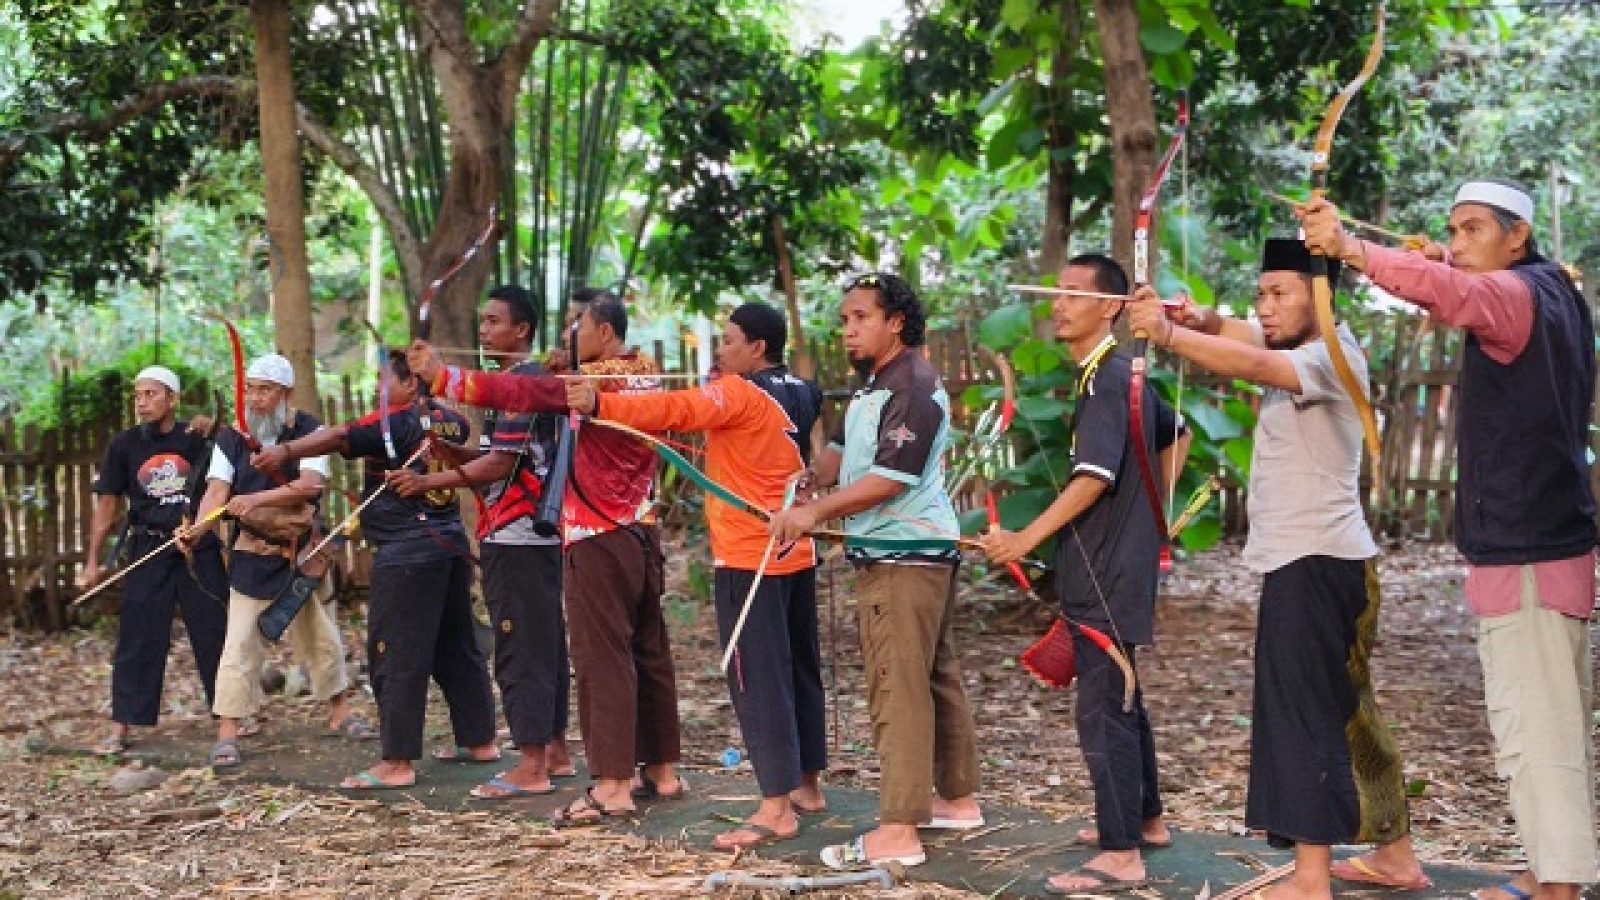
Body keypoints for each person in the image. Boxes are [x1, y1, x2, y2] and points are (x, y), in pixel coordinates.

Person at [1301, 180, 1596, 900]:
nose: (1457, 242)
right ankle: (1546, 869)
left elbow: (1456, 294)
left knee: (1536, 729)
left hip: (1527, 547)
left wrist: (1348, 247)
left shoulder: (1511, 295)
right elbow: (1458, 287)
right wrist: (1448, 263)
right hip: (1548, 541)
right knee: (1548, 722)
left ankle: (1557, 887)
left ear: (1517, 236)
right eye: (1453, 230)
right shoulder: (1555, 290)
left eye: (1472, 230)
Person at [1126, 239, 1429, 900]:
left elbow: (1259, 360)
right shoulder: (1311, 340)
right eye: (1260, 294)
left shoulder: (1332, 357)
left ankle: (1310, 879)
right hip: (1331, 564)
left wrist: (1173, 334)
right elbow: (1248, 335)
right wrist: (1201, 320)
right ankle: (1397, 858)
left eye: (1278, 293)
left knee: (1304, 719)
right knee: (1350, 714)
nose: (1264, 306)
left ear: (1317, 297)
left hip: (1315, 565)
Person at [411, 290, 682, 825]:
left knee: (603, 659)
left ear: (604, 333)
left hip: (598, 534)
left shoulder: (588, 386)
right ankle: (662, 770)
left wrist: (446, 377)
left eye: (576, 329)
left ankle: (611, 784)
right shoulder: (644, 371)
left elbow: (521, 389)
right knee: (647, 651)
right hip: (641, 531)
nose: (567, 342)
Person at [565, 301, 828, 848]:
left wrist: (598, 400)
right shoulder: (804, 391)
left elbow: (673, 410)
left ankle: (776, 809)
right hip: (794, 552)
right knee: (798, 669)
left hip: (749, 556)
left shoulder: (737, 393)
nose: (720, 351)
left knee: (758, 679)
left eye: (730, 341)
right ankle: (806, 786)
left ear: (757, 347)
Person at [982, 254, 1190, 894]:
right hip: (1114, 564)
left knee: (1103, 707)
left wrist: (1023, 539)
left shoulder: (1107, 378)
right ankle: (1145, 821)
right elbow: (1175, 434)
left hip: (1105, 570)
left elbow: (1093, 479)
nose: (1058, 302)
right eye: (1057, 291)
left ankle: (1121, 852)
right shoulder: (1120, 375)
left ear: (1112, 308)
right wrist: (1152, 509)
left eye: (1074, 293)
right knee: (1123, 696)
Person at [768, 272, 982, 870]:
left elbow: (891, 479)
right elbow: (839, 454)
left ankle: (898, 830)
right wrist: (814, 477)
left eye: (861, 317)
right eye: (844, 319)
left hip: (901, 556)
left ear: (896, 322)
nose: (848, 329)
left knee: (899, 686)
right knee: (933, 676)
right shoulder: (875, 385)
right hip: (912, 553)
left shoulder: (911, 384)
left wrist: (814, 512)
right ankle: (956, 800)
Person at [251, 351, 497, 789]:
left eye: (387, 381)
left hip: (407, 554)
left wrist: (285, 451)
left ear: (410, 385)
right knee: (455, 645)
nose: (380, 389)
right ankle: (479, 741)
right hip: (448, 547)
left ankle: (397, 762)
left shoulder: (394, 423)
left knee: (395, 654)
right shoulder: (451, 421)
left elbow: (342, 435)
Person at [386, 285, 575, 798]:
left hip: (518, 535)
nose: (486, 330)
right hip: (528, 536)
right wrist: (448, 451)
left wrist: (427, 481)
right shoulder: (520, 382)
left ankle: (532, 766)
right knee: (542, 642)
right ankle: (553, 751)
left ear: (523, 331)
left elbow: (500, 464)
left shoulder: (522, 385)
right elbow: (489, 455)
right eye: (483, 321)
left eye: (495, 322)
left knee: (520, 646)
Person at [180, 354, 369, 768]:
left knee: (320, 636)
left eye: (266, 390)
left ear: (286, 394)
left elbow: (309, 486)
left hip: (302, 551)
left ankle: (341, 712)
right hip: (252, 550)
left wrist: (254, 499)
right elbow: (216, 492)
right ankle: (228, 729)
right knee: (240, 641)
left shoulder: (310, 432)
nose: (256, 399)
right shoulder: (233, 437)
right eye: (252, 389)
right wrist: (197, 529)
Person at [79, 366, 228, 756]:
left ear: (173, 400)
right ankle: (123, 723)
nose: (142, 402)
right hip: (149, 548)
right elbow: (107, 503)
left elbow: (224, 477)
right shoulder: (124, 446)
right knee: (139, 635)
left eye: (151, 394)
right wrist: (92, 561)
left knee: (213, 629)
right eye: (138, 395)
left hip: (197, 547)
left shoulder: (197, 439)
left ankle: (230, 717)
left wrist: (213, 429)